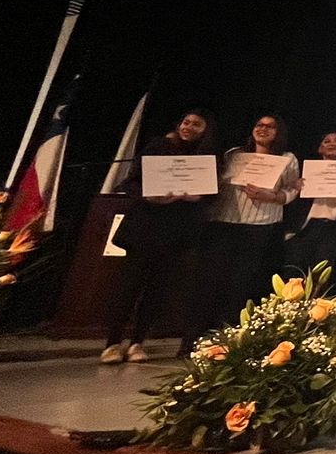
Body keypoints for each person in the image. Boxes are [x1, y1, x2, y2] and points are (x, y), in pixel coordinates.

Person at [101, 110, 217, 363]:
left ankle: (137, 342)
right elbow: (131, 182)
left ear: (206, 131)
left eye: (197, 125)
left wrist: (197, 197)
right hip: (145, 226)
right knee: (128, 286)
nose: (189, 127)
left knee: (157, 290)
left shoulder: (206, 159)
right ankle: (112, 343)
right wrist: (149, 196)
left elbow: (211, 195)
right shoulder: (158, 146)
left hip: (177, 232)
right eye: (186, 122)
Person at [181, 114, 299, 353]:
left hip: (259, 226)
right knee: (209, 282)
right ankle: (192, 340)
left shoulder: (287, 158)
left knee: (240, 285)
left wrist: (272, 196)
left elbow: (292, 189)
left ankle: (227, 341)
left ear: (279, 132)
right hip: (222, 223)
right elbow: (213, 183)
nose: (263, 129)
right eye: (259, 125)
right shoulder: (233, 155)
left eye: (270, 127)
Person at [283, 131, 336, 280]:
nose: (332, 144)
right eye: (327, 141)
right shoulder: (306, 171)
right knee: (295, 275)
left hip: (334, 228)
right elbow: (290, 201)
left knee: (322, 278)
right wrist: (296, 186)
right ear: (319, 148)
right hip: (306, 228)